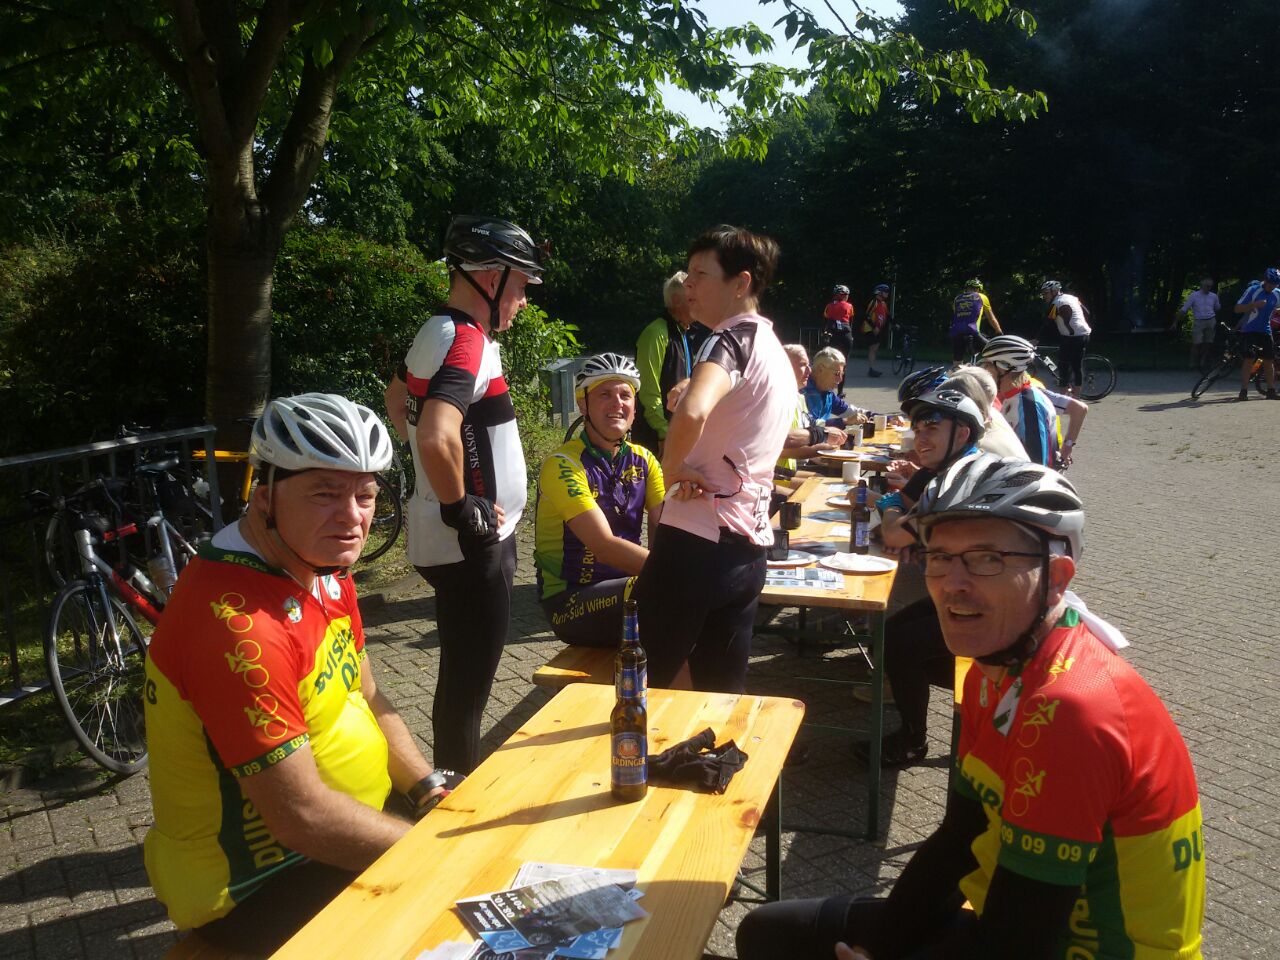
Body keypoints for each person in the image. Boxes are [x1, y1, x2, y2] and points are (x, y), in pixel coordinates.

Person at [737, 456, 1205, 960]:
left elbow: (1017, 943)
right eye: (939, 556)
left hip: (1083, 947)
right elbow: (961, 836)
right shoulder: (990, 671)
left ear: (1057, 577)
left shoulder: (1070, 710)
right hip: (1013, 917)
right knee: (770, 931)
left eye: (987, 558)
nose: (952, 583)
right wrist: (875, 946)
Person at [144, 394, 457, 956]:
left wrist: (426, 787)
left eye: (365, 495)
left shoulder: (321, 565)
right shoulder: (236, 626)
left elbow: (366, 692)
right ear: (265, 497)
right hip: (264, 879)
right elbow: (301, 817)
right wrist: (431, 857)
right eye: (324, 493)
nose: (352, 516)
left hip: (348, 831)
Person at [384, 213, 544, 772]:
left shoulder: (436, 330)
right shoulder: (467, 340)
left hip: (445, 535)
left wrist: (433, 481)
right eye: (520, 285)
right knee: (468, 691)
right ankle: (456, 798)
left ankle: (448, 783)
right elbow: (435, 433)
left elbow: (396, 398)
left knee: (457, 681)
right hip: (473, 543)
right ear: (492, 278)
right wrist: (460, 505)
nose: (523, 300)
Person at [632, 224, 795, 693]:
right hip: (748, 548)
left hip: (695, 541)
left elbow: (693, 412)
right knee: (720, 696)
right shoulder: (773, 350)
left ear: (740, 283)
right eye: (688, 274)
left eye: (701, 275)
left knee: (639, 685)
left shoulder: (726, 339)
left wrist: (671, 469)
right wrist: (692, 390)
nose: (688, 285)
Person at [862, 386, 989, 766]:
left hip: (990, 605)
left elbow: (893, 533)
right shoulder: (945, 472)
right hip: (964, 593)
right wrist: (912, 539)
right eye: (916, 429)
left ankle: (916, 740)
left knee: (901, 645)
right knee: (894, 636)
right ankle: (974, 706)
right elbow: (901, 532)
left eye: (931, 426)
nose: (920, 437)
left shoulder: (960, 479)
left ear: (962, 433)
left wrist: (890, 511)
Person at [534, 354, 664, 646]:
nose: (617, 403)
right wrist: (671, 574)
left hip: (627, 585)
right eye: (605, 394)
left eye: (625, 395)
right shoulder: (563, 464)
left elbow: (668, 524)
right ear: (583, 405)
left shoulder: (645, 460)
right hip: (570, 600)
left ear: (634, 408)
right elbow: (603, 546)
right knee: (664, 595)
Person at [633, 271, 709, 453]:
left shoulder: (684, 333)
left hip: (677, 435)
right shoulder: (656, 333)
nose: (698, 303)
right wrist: (664, 432)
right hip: (655, 439)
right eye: (691, 299)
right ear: (676, 300)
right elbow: (648, 390)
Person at [978, 335, 1059, 467]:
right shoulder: (1010, 397)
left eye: (987, 366)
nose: (984, 371)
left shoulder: (1029, 406)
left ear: (1005, 368)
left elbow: (1037, 465)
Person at [777, 344, 847, 477]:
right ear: (784, 367)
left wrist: (825, 446)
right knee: (826, 480)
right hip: (771, 472)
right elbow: (780, 446)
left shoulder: (799, 397)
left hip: (789, 467)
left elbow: (811, 429)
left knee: (838, 475)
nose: (810, 370)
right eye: (803, 365)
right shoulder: (774, 399)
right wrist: (823, 440)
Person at [1231, 266, 1279, 401]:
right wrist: (1253, 305)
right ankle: (1243, 391)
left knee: (1269, 360)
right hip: (1250, 329)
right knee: (1249, 359)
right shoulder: (1253, 290)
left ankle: (1271, 391)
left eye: (1275, 284)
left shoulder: (1277, 293)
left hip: (1265, 330)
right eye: (1270, 284)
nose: (1271, 287)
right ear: (1265, 280)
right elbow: (1237, 309)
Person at [1037, 280, 1092, 395]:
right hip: (1084, 334)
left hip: (1071, 338)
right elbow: (1087, 312)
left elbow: (1048, 323)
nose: (1044, 296)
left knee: (1063, 367)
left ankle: (1062, 397)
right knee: (1076, 366)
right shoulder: (1073, 298)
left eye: (1046, 293)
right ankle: (1076, 398)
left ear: (1054, 291)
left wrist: (1037, 339)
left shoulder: (1056, 303)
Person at [803, 347, 869, 430]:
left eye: (842, 374)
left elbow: (848, 411)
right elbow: (808, 424)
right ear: (820, 369)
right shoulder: (801, 392)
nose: (840, 379)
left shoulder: (827, 392)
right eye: (837, 374)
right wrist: (845, 421)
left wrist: (875, 416)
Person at [949, 278, 1002, 361]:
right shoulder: (982, 297)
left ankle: (957, 367)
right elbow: (991, 318)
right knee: (994, 352)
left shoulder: (957, 298)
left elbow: (958, 316)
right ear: (978, 289)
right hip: (973, 332)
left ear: (966, 288)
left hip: (956, 333)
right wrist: (999, 332)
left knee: (957, 362)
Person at [1179, 277, 1221, 370]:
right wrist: (1176, 320)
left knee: (1208, 342)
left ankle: (1202, 361)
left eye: (1210, 286)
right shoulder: (1194, 295)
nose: (1209, 288)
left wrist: (1217, 304)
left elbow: (1217, 307)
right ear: (1202, 285)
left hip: (1211, 320)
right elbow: (1185, 308)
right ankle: (1192, 362)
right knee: (1196, 343)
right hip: (1199, 321)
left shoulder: (1214, 296)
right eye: (1207, 286)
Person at [822, 284, 856, 393]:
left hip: (833, 335)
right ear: (844, 295)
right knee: (843, 363)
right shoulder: (850, 306)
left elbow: (826, 319)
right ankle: (840, 392)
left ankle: (827, 388)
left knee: (831, 362)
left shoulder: (829, 306)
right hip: (846, 335)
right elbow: (850, 321)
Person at [857, 283, 892, 378]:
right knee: (873, 348)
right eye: (885, 292)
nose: (887, 293)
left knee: (874, 348)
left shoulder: (883, 304)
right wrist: (874, 327)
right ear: (879, 293)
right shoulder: (874, 302)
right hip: (870, 329)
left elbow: (887, 315)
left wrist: (894, 323)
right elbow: (867, 316)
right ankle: (871, 369)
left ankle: (871, 368)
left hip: (878, 329)